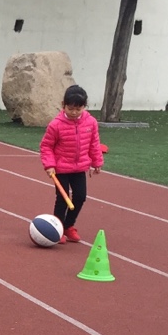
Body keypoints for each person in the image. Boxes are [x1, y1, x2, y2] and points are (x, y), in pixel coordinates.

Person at [38, 84, 103, 243]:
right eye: (70, 109)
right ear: (63, 105)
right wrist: (49, 165)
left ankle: (68, 225)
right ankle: (58, 228)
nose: (74, 112)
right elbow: (46, 146)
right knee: (62, 198)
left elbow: (94, 143)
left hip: (80, 167)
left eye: (78, 109)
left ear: (84, 107)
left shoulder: (91, 122)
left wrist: (97, 161)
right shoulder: (56, 125)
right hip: (60, 168)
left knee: (80, 197)